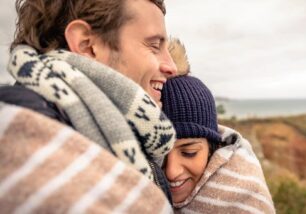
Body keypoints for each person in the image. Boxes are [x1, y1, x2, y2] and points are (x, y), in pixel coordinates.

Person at [0, 0, 178, 210]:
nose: (172, 67)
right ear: (87, 45)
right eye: (154, 46)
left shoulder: (131, 134)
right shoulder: (20, 134)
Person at [161, 75, 276, 213]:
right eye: (157, 153)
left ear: (213, 148)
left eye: (189, 153)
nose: (171, 172)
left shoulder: (245, 201)